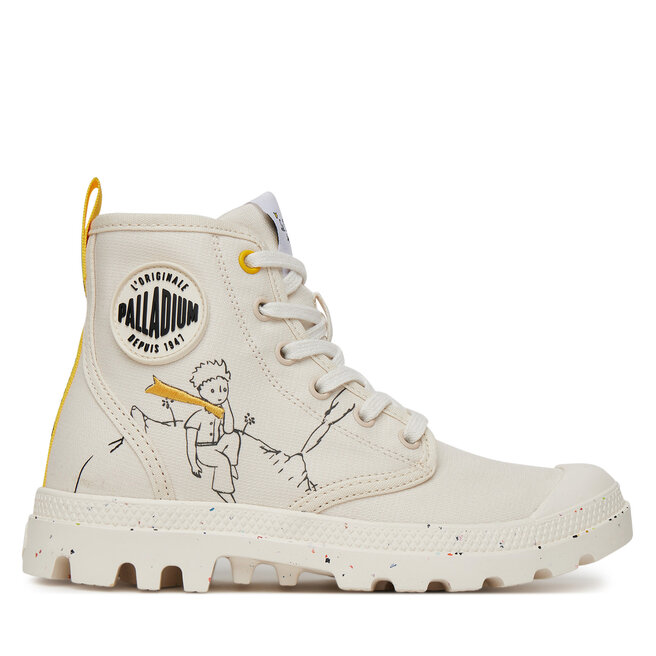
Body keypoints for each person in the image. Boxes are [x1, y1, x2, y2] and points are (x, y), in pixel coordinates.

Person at [183, 360, 240, 502]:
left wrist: (226, 406)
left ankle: (232, 466)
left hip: (216, 447)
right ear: (201, 391)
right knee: (222, 461)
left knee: (234, 436)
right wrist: (193, 464)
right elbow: (190, 443)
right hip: (203, 451)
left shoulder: (219, 413)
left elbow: (229, 430)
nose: (220, 395)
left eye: (224, 390)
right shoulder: (197, 418)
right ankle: (224, 492)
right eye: (213, 391)